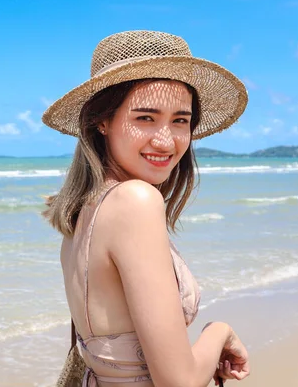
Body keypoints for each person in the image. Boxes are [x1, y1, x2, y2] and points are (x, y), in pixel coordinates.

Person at [42, 30, 250, 387]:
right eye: (145, 118)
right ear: (101, 121)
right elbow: (179, 381)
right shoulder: (135, 201)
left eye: (180, 120)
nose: (166, 140)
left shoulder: (81, 214)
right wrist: (220, 333)